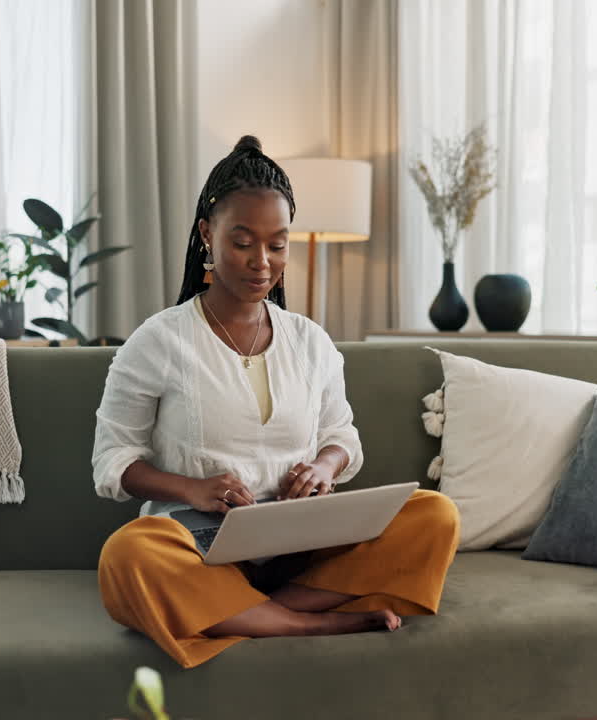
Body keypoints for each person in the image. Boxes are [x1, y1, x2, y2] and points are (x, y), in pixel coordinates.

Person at [92, 135, 460, 668]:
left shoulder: (310, 341)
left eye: (277, 244)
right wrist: (193, 489)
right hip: (202, 546)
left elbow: (342, 438)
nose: (261, 262)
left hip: (301, 543)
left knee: (434, 515)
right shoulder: (158, 341)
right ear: (206, 235)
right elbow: (113, 463)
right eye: (242, 242)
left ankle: (250, 616)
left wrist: (323, 468)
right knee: (128, 556)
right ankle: (308, 623)